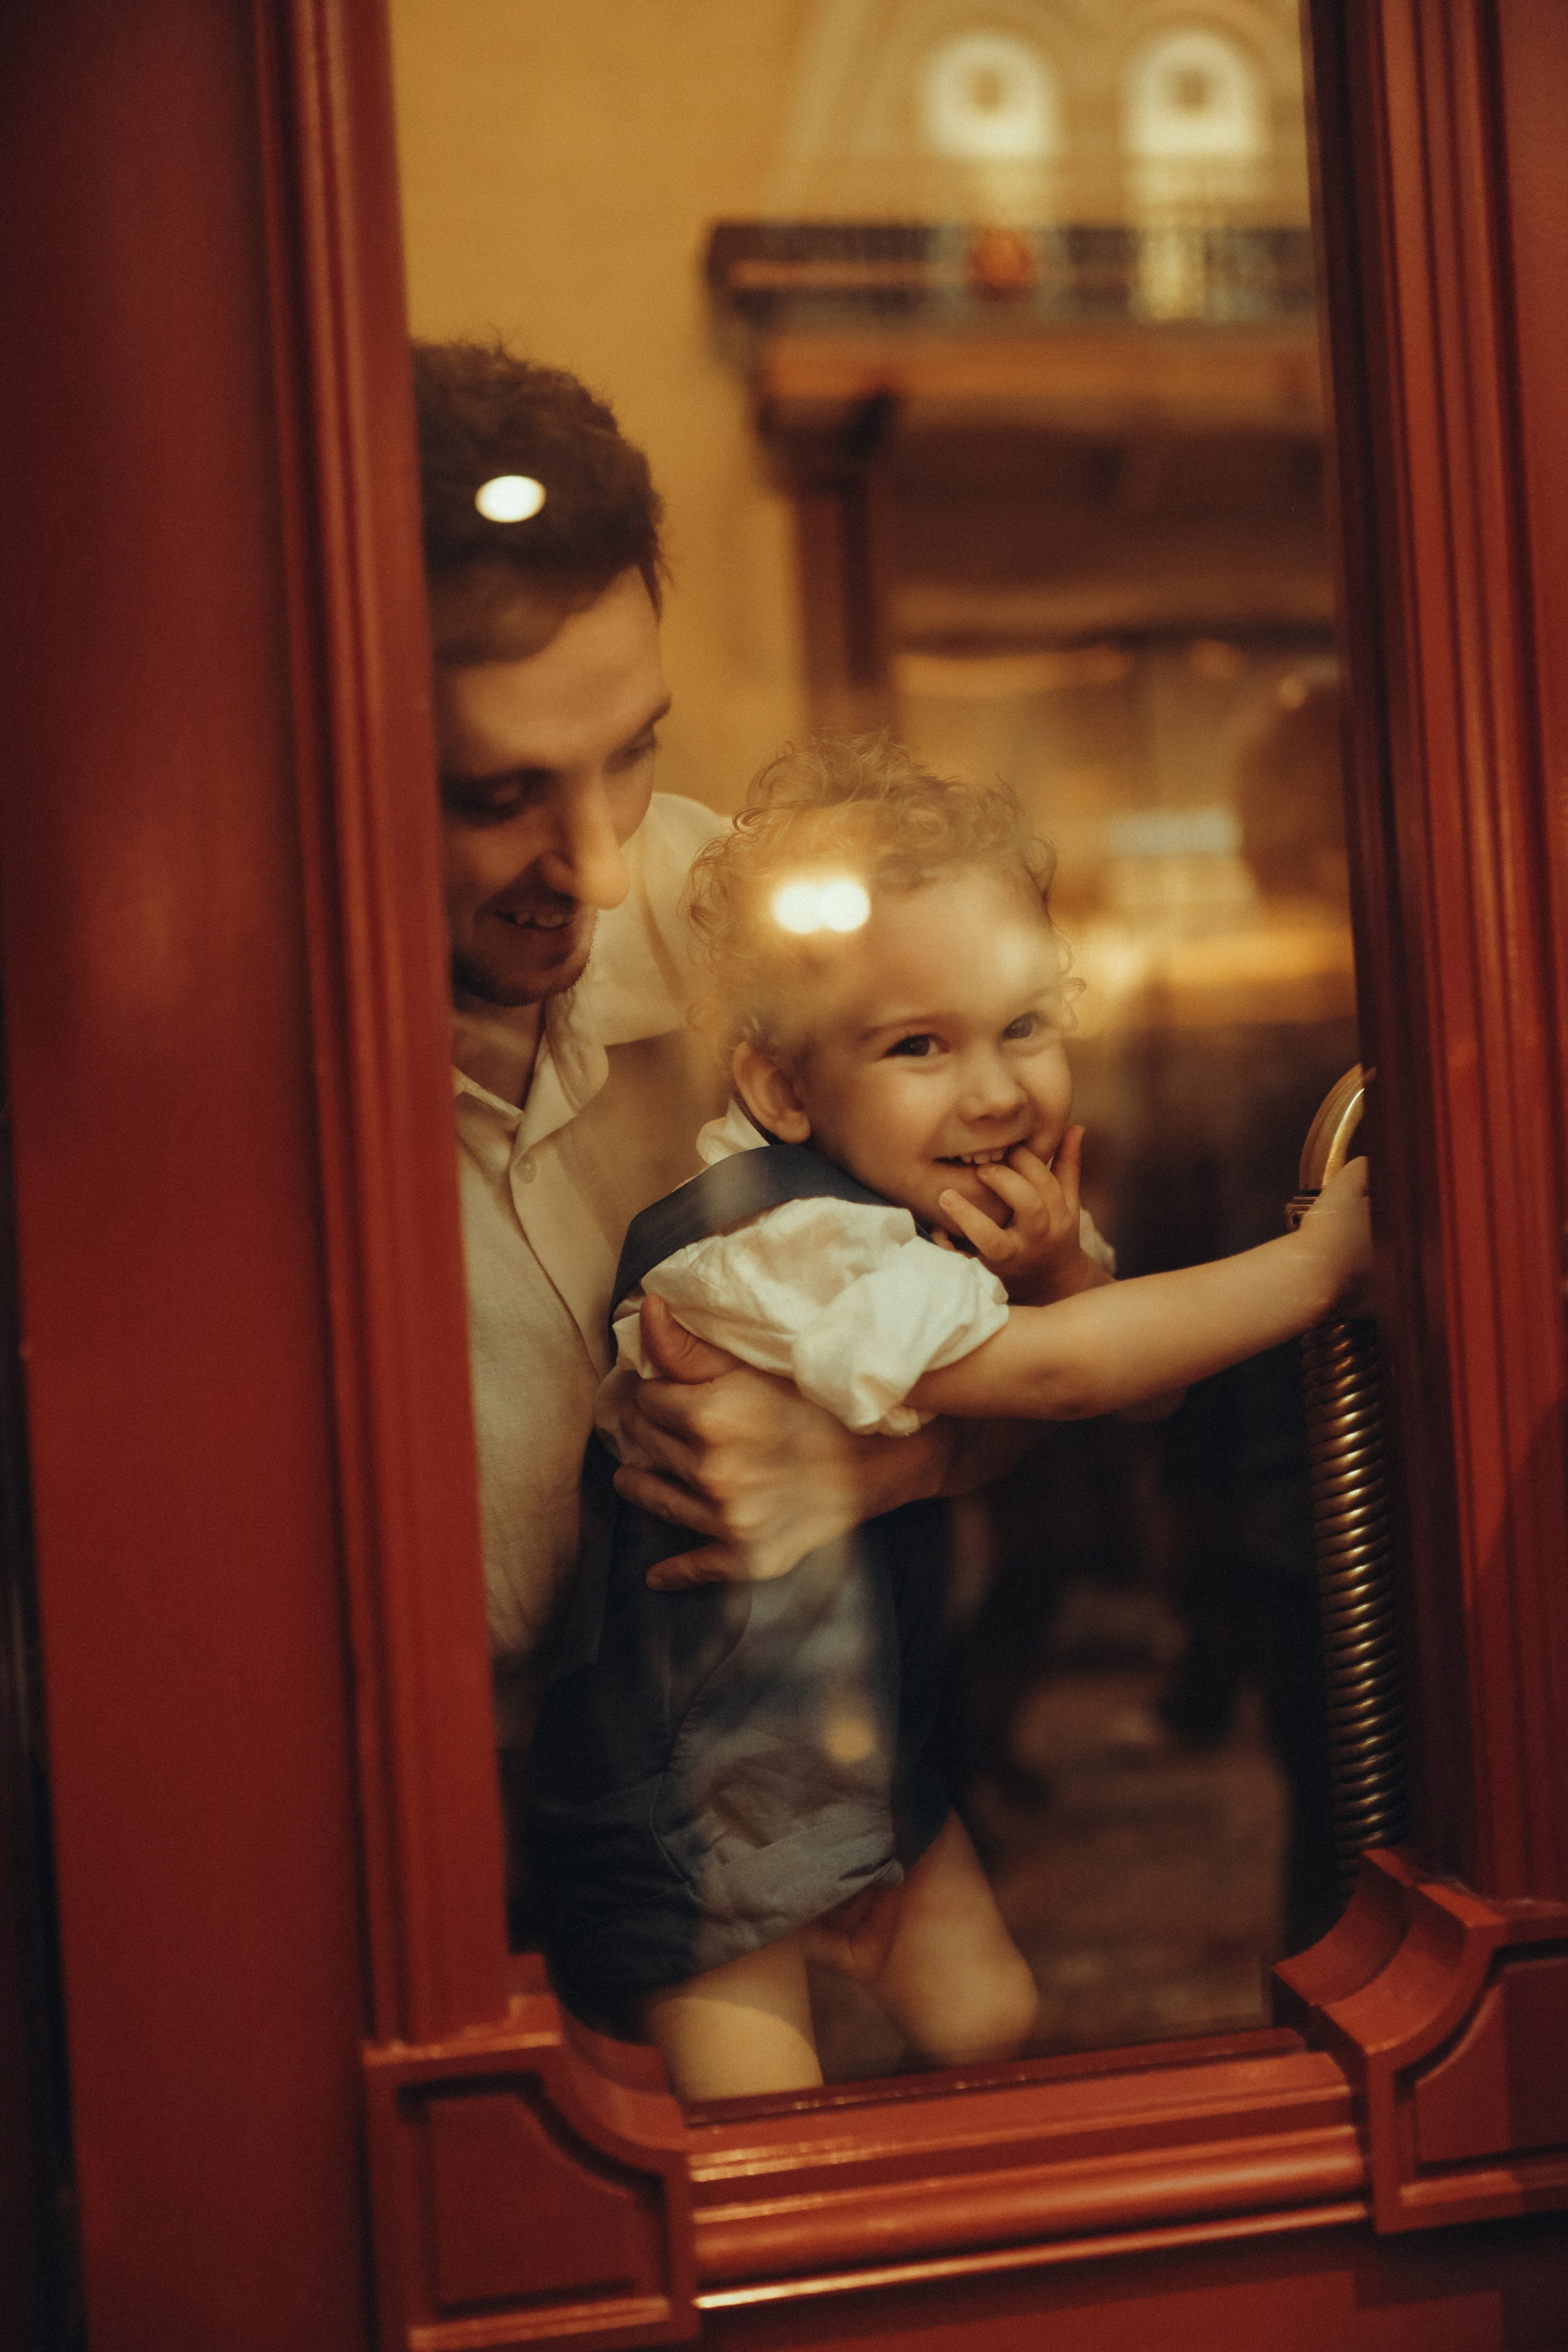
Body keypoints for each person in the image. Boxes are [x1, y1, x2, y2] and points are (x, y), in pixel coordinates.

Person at [529, 740, 1373, 2098]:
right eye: (917, 1045)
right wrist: (1314, 1267)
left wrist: (1052, 1270)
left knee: (986, 2017)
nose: (992, 1091)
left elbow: (1130, 1379)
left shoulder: (955, 1203)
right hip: (691, 1803)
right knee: (758, 2134)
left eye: (1021, 1026)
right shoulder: (775, 1240)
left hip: (860, 1767)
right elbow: (1053, 1378)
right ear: (782, 1088)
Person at [415, 343, 1032, 1831]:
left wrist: (871, 1466)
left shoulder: (743, 925)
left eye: (630, 756)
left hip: (760, 1789)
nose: (604, 870)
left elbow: (1055, 1348)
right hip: (406, 1848)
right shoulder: (169, 1082)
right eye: (497, 796)